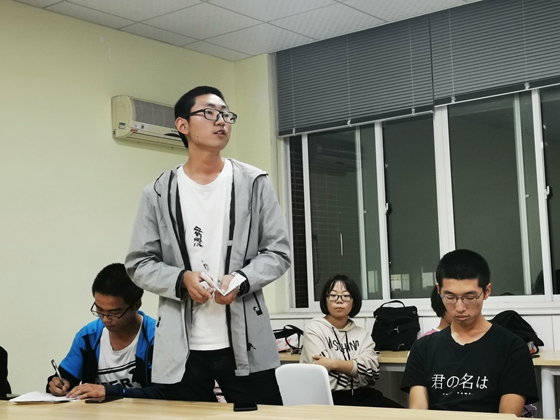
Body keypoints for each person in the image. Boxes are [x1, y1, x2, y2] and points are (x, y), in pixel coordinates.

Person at [125, 86, 291, 404]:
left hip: (245, 343)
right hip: (181, 349)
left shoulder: (254, 183)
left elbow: (278, 251)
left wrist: (241, 280)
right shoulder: (158, 192)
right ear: (182, 125)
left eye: (226, 114)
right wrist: (181, 279)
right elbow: (139, 263)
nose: (221, 121)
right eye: (209, 113)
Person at [401, 249, 539, 415]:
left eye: (470, 297)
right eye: (450, 297)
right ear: (438, 290)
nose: (459, 307)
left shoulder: (512, 348)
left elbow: (508, 417)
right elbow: (418, 414)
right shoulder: (423, 348)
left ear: (487, 291)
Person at [47, 263, 158, 399]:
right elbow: (66, 377)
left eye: (114, 312)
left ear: (136, 304)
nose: (105, 319)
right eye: (99, 310)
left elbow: (165, 392)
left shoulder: (157, 337)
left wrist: (110, 391)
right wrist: (57, 384)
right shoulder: (88, 336)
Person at [300, 274, 401, 408]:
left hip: (364, 393)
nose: (339, 301)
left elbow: (372, 372)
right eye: (333, 295)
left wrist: (334, 363)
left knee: (404, 414)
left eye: (346, 296)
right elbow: (321, 371)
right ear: (325, 300)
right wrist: (356, 369)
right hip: (331, 398)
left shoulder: (362, 334)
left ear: (354, 302)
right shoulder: (314, 329)